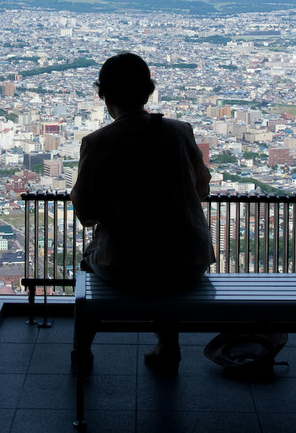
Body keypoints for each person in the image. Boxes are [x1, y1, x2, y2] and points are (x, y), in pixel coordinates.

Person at [70, 52, 214, 373]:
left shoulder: (98, 142)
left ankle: (82, 351)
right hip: (189, 261)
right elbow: (202, 188)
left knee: (87, 266)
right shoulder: (180, 132)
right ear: (149, 92)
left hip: (123, 264)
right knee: (164, 274)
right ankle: (168, 347)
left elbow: (87, 212)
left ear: (104, 96)